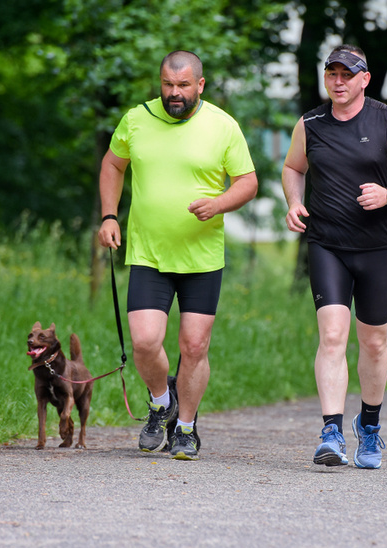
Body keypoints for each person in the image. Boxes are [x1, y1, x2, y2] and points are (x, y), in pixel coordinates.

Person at [97, 50, 258, 460]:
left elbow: (248, 182)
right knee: (146, 342)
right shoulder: (137, 119)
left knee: (194, 346)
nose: (174, 93)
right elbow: (113, 165)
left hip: (202, 258)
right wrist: (110, 215)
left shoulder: (223, 125)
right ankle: (159, 402)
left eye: (183, 86)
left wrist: (219, 204)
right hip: (149, 253)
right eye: (167, 85)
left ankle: (185, 429)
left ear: (199, 85)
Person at [281, 45, 387, 469]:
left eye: (347, 74)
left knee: (374, 341)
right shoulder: (310, 123)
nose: (338, 81)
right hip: (327, 243)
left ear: (365, 79)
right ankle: (330, 431)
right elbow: (294, 168)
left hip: (377, 248)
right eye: (331, 73)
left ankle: (369, 426)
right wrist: (293, 202)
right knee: (331, 336)